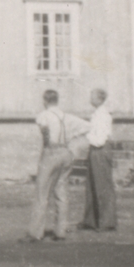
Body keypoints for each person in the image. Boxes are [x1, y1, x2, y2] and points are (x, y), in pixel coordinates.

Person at [26, 89, 88, 242]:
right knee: (61, 192)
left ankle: (35, 233)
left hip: (51, 152)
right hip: (66, 152)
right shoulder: (67, 117)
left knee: (42, 192)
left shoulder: (44, 115)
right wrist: (71, 140)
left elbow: (44, 132)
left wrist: (47, 147)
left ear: (45, 101)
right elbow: (88, 126)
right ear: (57, 100)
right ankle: (60, 232)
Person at [80, 89, 117, 231]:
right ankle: (91, 221)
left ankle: (106, 222)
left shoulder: (103, 115)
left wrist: (88, 137)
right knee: (91, 185)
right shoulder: (96, 114)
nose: (90, 98)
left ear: (99, 99)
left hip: (100, 149)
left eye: (92, 96)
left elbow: (100, 138)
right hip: (94, 149)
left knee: (103, 185)